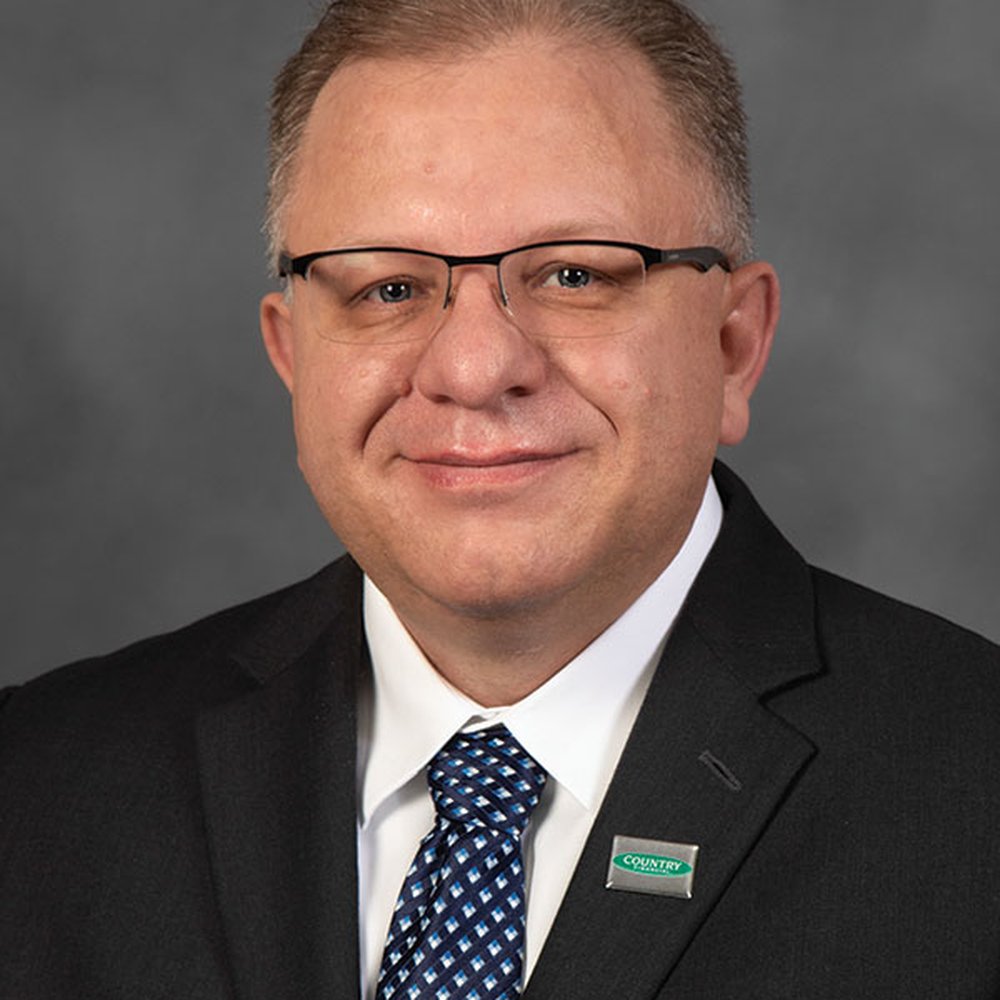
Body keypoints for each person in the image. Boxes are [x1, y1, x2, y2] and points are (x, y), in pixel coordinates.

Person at [2, 1, 999, 997]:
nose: (474, 369)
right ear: (292, 355)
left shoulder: (973, 792)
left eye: (573, 274)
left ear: (733, 346)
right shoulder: (37, 786)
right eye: (388, 289)